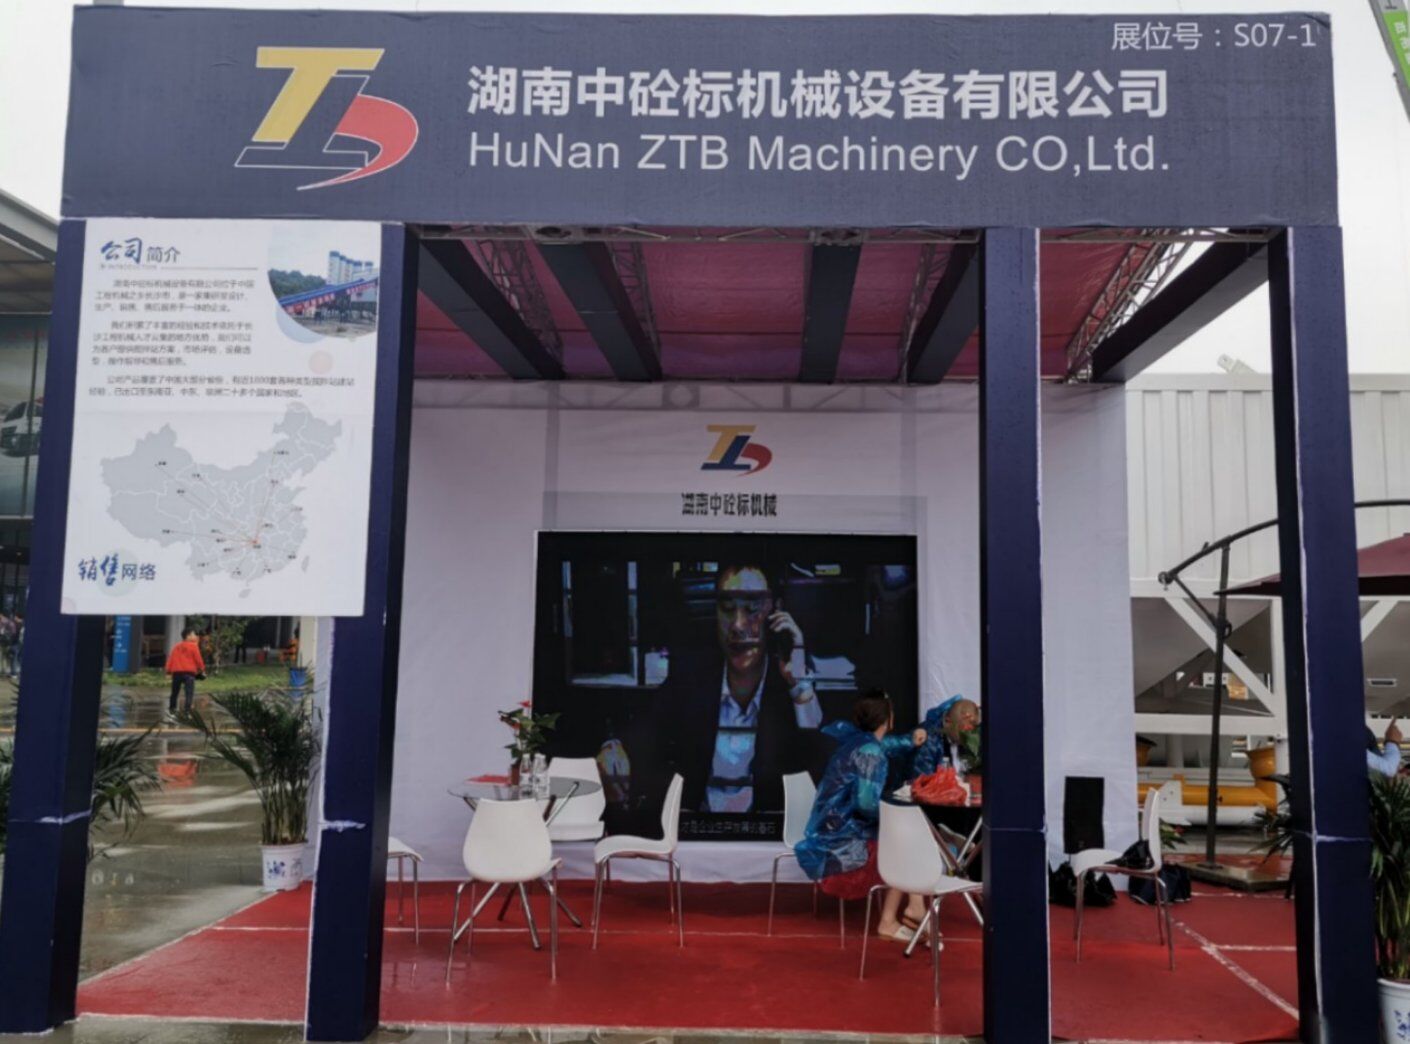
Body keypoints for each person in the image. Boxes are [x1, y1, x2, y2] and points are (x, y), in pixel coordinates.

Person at [657, 563, 830, 815]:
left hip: (766, 832)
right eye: (727, 609)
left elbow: (821, 774)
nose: (738, 625)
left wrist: (799, 685)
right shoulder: (691, 678)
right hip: (701, 827)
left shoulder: (789, 684)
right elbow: (646, 734)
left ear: (776, 612)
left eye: (752, 608)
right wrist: (614, 749)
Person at [794, 689, 929, 941]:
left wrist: (911, 740)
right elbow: (866, 804)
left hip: (834, 829)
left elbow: (886, 745)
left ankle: (910, 910)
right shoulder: (869, 752)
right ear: (887, 718)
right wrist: (897, 815)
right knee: (906, 844)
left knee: (905, 840)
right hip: (842, 839)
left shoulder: (859, 742)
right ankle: (903, 914)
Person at [911, 695, 980, 780]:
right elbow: (923, 782)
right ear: (948, 721)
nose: (968, 734)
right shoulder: (927, 742)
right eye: (962, 729)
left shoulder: (970, 737)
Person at [165, 626, 206, 717]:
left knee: (174, 692)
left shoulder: (176, 647)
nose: (195, 636)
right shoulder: (193, 646)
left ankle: (172, 710)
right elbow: (198, 659)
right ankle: (187, 712)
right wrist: (202, 669)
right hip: (189, 673)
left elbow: (171, 659)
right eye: (193, 634)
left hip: (177, 673)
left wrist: (168, 671)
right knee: (189, 693)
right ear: (188, 636)